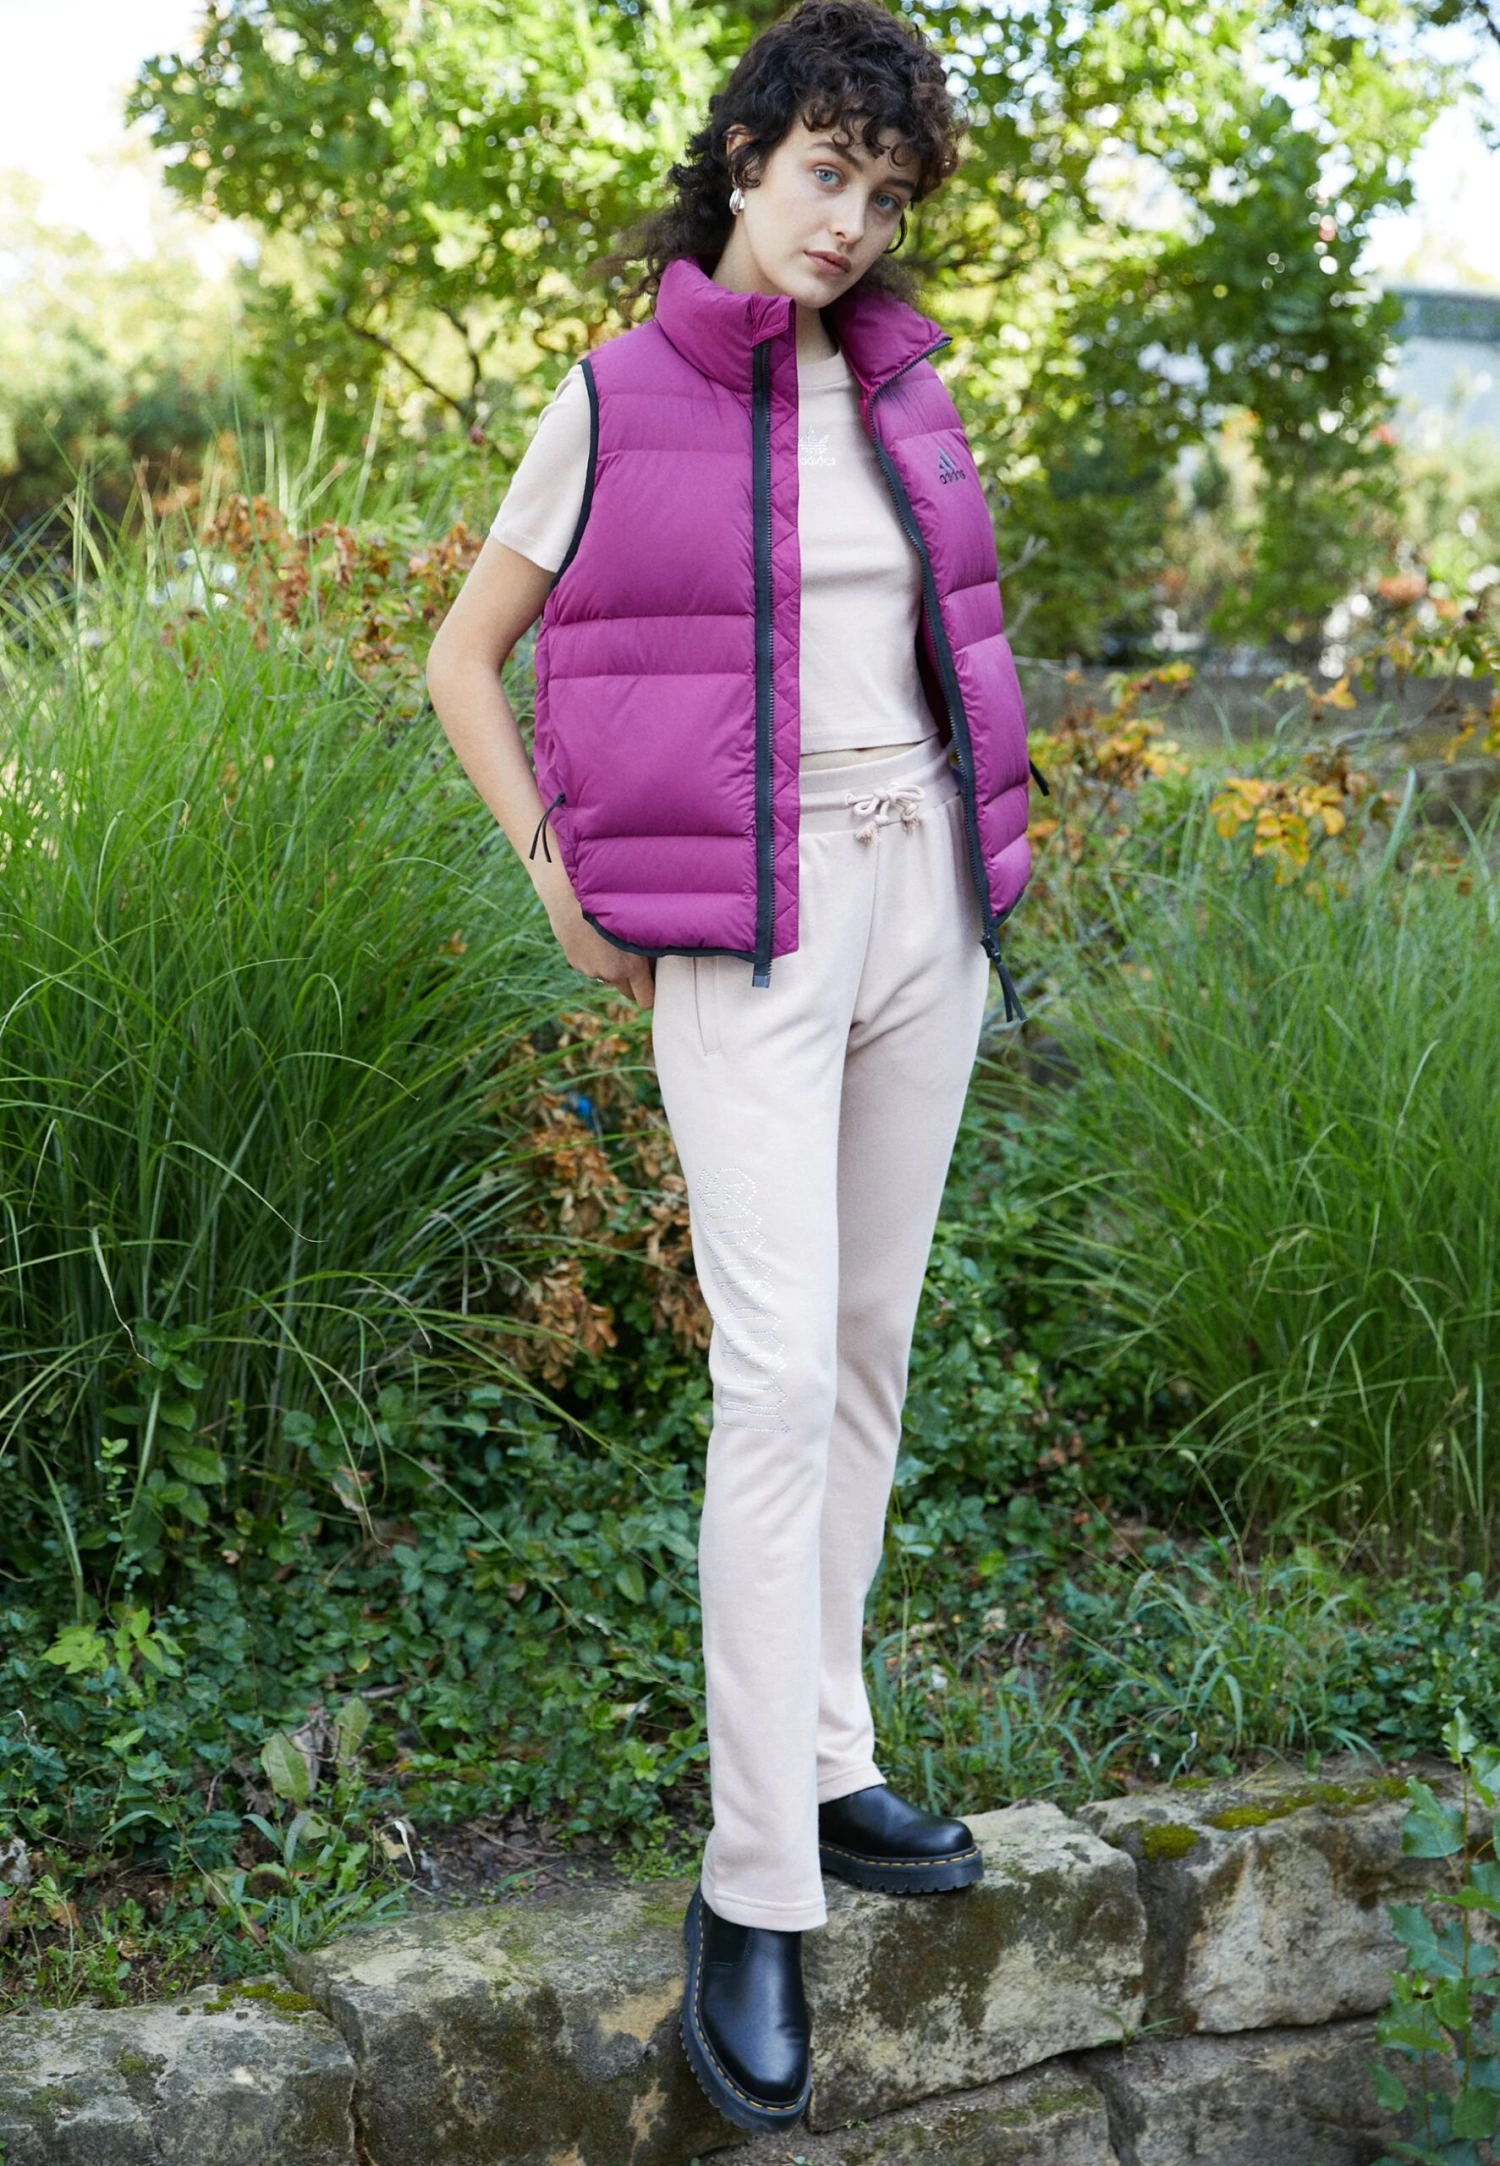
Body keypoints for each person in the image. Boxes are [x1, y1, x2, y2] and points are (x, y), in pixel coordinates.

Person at [425, 0, 1033, 2132]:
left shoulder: (910, 390)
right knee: (771, 1377)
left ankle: (831, 1754)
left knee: (864, 1350)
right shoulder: (616, 397)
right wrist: (551, 870)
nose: (850, 221)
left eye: (885, 190)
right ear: (748, 158)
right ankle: (756, 1879)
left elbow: (948, 647)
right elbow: (462, 656)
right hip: (745, 931)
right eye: (824, 173)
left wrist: (977, 859)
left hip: (918, 904)